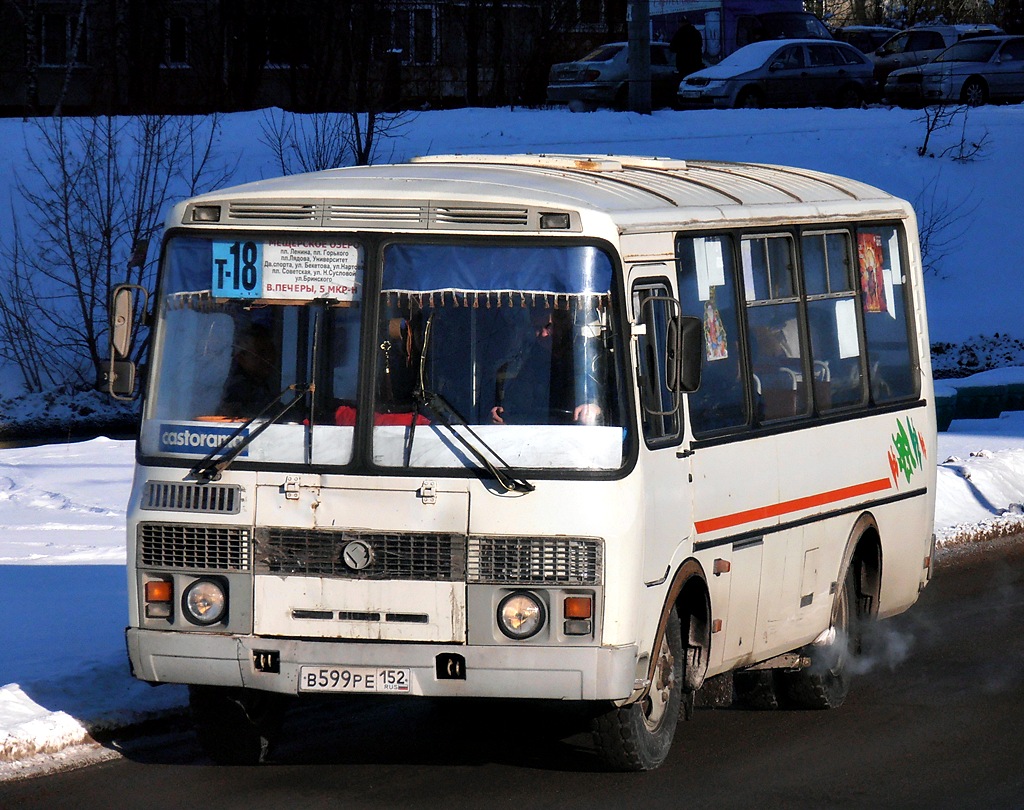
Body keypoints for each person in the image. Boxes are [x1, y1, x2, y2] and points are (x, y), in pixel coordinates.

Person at [490, 308, 602, 426]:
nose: (543, 334)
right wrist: (501, 413)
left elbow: (607, 401)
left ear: (564, 325)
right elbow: (517, 399)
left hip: (579, 434)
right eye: (537, 328)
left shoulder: (587, 354)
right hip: (539, 434)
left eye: (549, 326)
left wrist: (595, 408)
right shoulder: (533, 358)